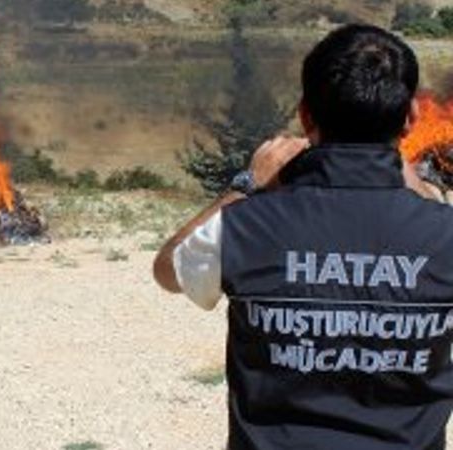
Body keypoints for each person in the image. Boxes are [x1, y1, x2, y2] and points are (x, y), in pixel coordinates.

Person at [154, 24, 453, 450]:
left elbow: (169, 270)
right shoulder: (443, 233)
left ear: (305, 115)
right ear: (411, 118)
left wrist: (246, 184)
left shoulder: (246, 225)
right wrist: (418, 188)